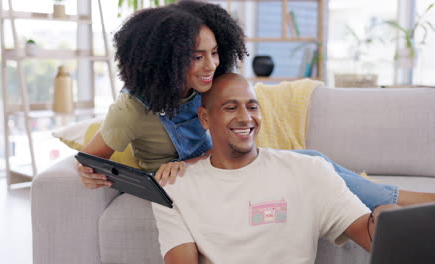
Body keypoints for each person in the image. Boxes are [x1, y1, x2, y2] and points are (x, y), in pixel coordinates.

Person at [77, 0, 435, 211]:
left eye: (215, 53)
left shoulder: (207, 88)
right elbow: (93, 162)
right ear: (164, 59)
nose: (211, 65)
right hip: (193, 188)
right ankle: (409, 203)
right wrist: (153, 176)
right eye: (196, 56)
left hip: (225, 170)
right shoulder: (132, 109)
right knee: (311, 166)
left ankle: (397, 205)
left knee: (313, 162)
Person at [151, 73, 397, 264]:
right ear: (204, 118)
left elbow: (370, 237)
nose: (246, 117)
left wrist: (386, 216)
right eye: (231, 107)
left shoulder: (309, 171)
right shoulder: (175, 187)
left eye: (252, 106)